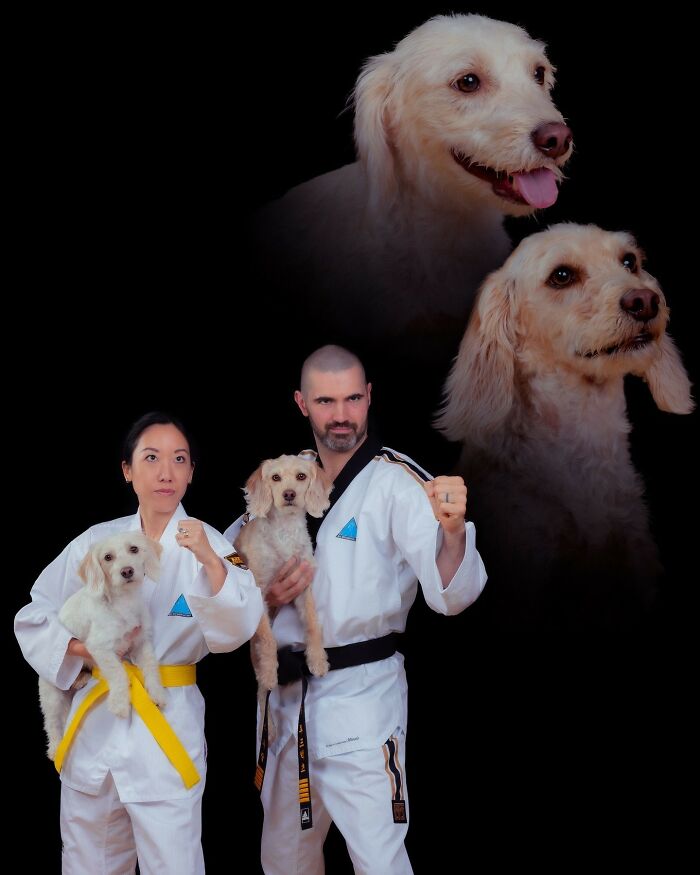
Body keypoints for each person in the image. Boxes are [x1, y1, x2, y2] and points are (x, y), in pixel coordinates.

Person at [225, 345, 488, 874]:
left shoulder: (396, 481)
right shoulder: (283, 478)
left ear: (369, 398)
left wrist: (455, 532)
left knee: (378, 861)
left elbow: (450, 595)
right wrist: (265, 600)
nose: (340, 415)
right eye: (325, 400)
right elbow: (230, 572)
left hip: (363, 700)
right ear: (302, 404)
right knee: (283, 862)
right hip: (287, 703)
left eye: (351, 399)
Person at [15, 411, 264, 874]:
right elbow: (35, 613)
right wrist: (80, 650)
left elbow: (239, 626)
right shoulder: (97, 541)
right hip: (95, 721)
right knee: (88, 860)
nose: (166, 472)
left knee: (174, 863)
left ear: (191, 472)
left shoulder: (209, 542)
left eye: (179, 459)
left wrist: (211, 563)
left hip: (165, 720)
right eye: (151, 458)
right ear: (128, 470)